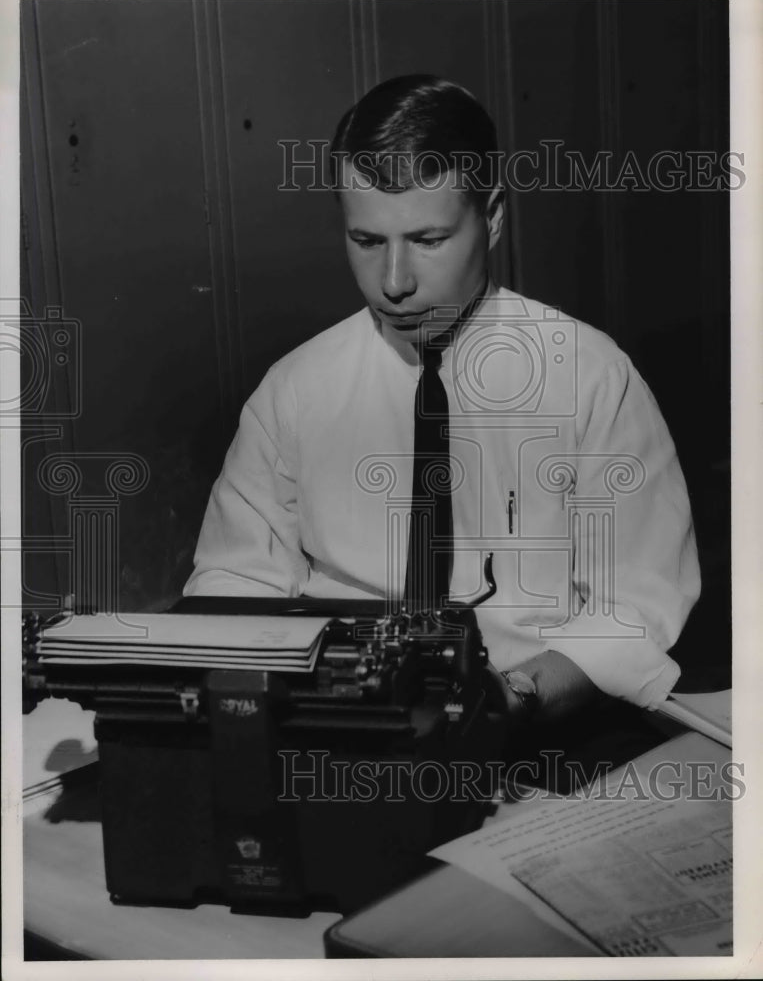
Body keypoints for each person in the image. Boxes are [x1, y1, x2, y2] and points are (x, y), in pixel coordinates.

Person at [184, 75, 700, 727]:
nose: (393, 282)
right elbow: (234, 585)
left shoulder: (591, 380)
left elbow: (635, 605)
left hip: (537, 727)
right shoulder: (293, 392)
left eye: (428, 241)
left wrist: (517, 697)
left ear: (492, 217)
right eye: (366, 241)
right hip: (333, 728)